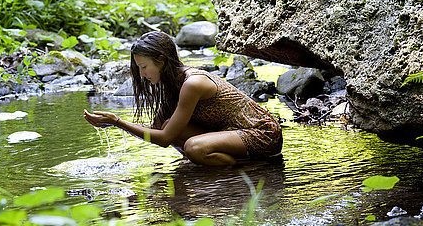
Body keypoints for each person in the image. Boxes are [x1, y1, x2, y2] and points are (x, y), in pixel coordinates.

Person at [84, 30, 282, 166]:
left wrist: (117, 122)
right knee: (169, 125)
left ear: (161, 60)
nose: (142, 75)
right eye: (139, 69)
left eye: (144, 67)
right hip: (231, 132)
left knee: (194, 148)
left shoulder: (192, 83)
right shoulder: (171, 84)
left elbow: (164, 140)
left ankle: (246, 170)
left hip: (262, 133)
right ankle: (210, 163)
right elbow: (157, 131)